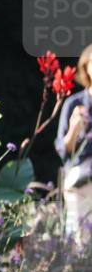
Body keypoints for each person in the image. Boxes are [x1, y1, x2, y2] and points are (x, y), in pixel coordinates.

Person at [55, 43, 92, 244]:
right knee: (81, 242)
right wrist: (74, 129)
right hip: (80, 179)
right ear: (86, 67)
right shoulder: (74, 104)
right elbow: (63, 150)